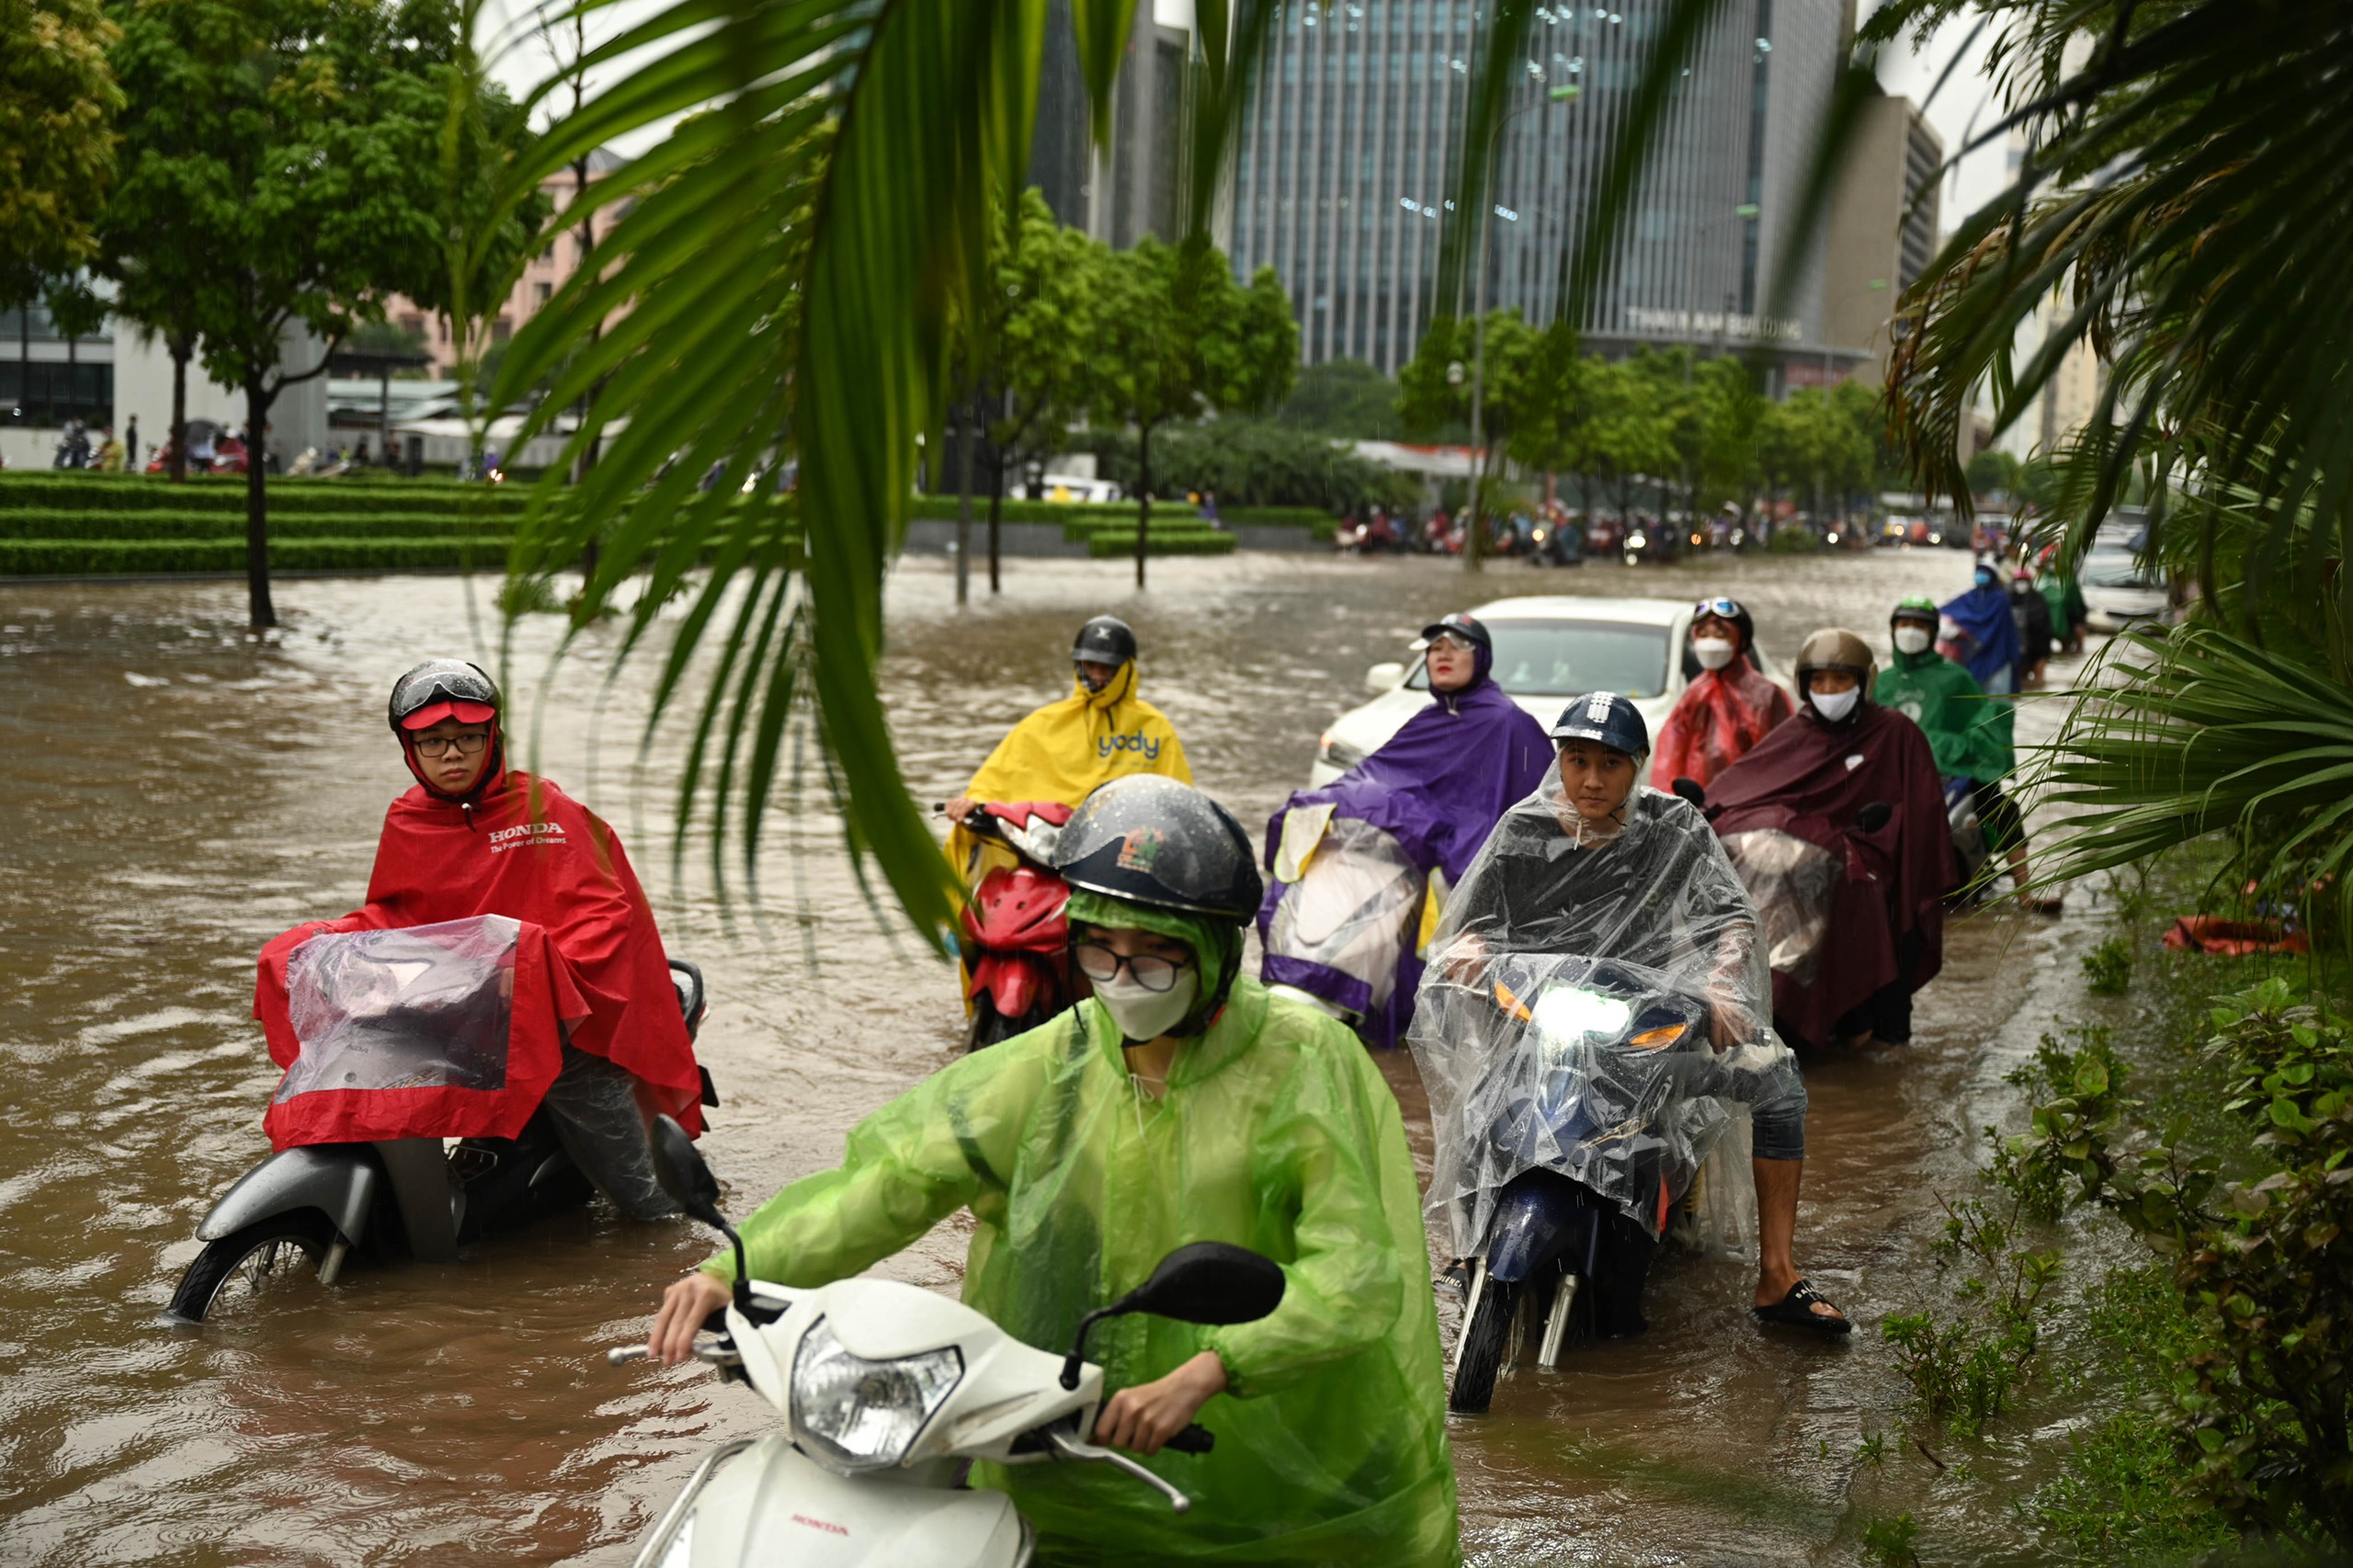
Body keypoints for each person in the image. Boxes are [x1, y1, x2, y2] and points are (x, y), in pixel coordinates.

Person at [647, 776, 1461, 1566]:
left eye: (1155, 959)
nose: (1122, 981)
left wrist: (1217, 1368)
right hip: (1072, 1456)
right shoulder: (1058, 1060)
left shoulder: (1306, 1063)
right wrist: (738, 1266)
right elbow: (893, 1179)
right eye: (1100, 953)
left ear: (1214, 955)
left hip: (1278, 1478)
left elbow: (1357, 1273)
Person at [1408, 693, 1847, 1334]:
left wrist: (1722, 984)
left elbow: (1728, 918)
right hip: (1539, 1029)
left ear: (1638, 765)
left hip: (1642, 1027)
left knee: (1779, 1082)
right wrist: (1467, 953)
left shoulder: (1674, 828)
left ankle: (1776, 1275)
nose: (1590, 779)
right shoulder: (1521, 832)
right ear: (1559, 762)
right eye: (1576, 760)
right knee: (1482, 1107)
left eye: (1609, 763)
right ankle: (1471, 1244)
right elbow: (1471, 928)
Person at [254, 660, 707, 1222]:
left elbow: (604, 915)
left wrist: (536, 968)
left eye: (467, 738)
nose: (451, 754)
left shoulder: (547, 812)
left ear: (493, 740)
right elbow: (396, 916)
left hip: (563, 1021)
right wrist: (322, 942)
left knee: (646, 1207)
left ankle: (676, 1227)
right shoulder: (407, 820)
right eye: (434, 741)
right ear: (408, 749)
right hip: (465, 1012)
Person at [1258, 613, 1552, 1046]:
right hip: (1398, 850)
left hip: (1451, 864)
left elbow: (1521, 812)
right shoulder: (1429, 720)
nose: (1443, 654)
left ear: (1482, 657)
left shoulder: (1506, 722)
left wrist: (1452, 845)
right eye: (1434, 648)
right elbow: (1376, 777)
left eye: (1457, 646)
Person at [1704, 631, 1953, 1051]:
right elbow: (1747, 786)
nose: (1828, 691)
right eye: (1818, 682)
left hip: (1872, 858)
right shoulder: (1797, 730)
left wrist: (1874, 832)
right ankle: (1761, 991)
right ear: (1804, 685)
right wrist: (1705, 809)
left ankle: (1850, 1014)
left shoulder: (1897, 733)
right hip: (1804, 857)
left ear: (1863, 682)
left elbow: (1921, 817)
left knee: (1843, 884)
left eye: (1839, 682)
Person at [943, 615, 1190, 878]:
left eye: (1107, 668)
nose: (1096, 675)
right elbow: (999, 777)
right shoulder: (1044, 722)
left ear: (1126, 669)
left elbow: (1179, 800)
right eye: (1090, 665)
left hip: (1119, 858)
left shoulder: (1155, 727)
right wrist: (973, 801)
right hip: (1046, 850)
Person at [1880, 596, 2062, 915]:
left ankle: (2026, 894)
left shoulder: (1955, 677)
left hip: (1949, 773)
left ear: (1933, 631)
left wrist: (1953, 748)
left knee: (2003, 809)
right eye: (1905, 624)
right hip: (1890, 775)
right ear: (1893, 630)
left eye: (1919, 625)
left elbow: (1984, 720)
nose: (1911, 631)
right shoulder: (1882, 681)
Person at [1650, 596, 1797, 791]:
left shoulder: (1767, 695)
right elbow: (1669, 759)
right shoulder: (1694, 694)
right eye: (1703, 634)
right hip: (1698, 808)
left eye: (1720, 635)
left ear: (1740, 640)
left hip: (1749, 805)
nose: (1710, 643)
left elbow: (1783, 760)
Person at [1938, 561, 2022, 694]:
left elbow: (2006, 629)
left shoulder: (2000, 600)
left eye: (1985, 573)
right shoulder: (1969, 597)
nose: (1980, 576)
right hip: (1973, 652)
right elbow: (1946, 611)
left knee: (1996, 694)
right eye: (1979, 572)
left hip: (1997, 651)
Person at [2037, 545, 2091, 654]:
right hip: (2047, 617)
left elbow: (2075, 600)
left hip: (2067, 613)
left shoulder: (2068, 576)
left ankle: (2079, 650)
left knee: (2077, 624)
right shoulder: (2041, 578)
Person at [2008, 568, 2052, 687]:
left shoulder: (2039, 599)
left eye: (2024, 581)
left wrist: (2045, 653)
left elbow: (2047, 627)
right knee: (2020, 681)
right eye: (2018, 581)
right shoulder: (2008, 599)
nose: (2021, 584)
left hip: (2038, 648)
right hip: (2017, 650)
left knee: (2039, 682)